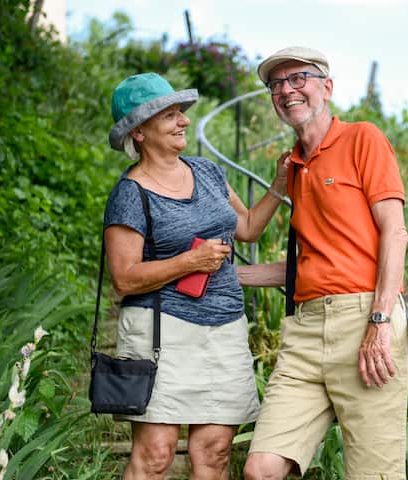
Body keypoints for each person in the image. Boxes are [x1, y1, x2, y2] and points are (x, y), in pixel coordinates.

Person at [103, 72, 289, 480]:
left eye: (181, 112)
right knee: (156, 455)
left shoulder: (207, 172)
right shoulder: (130, 193)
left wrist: (278, 184)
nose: (184, 121)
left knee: (215, 452)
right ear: (139, 132)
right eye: (170, 115)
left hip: (225, 327)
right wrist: (190, 262)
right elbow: (124, 278)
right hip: (161, 329)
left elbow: (248, 228)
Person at [239, 47, 408, 480]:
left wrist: (379, 320)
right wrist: (230, 275)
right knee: (261, 468)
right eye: (276, 84)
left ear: (327, 87)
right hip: (306, 329)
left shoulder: (363, 139)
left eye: (298, 78)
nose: (286, 90)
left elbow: (395, 232)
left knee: (373, 476)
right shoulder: (295, 167)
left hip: (364, 318)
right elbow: (311, 262)